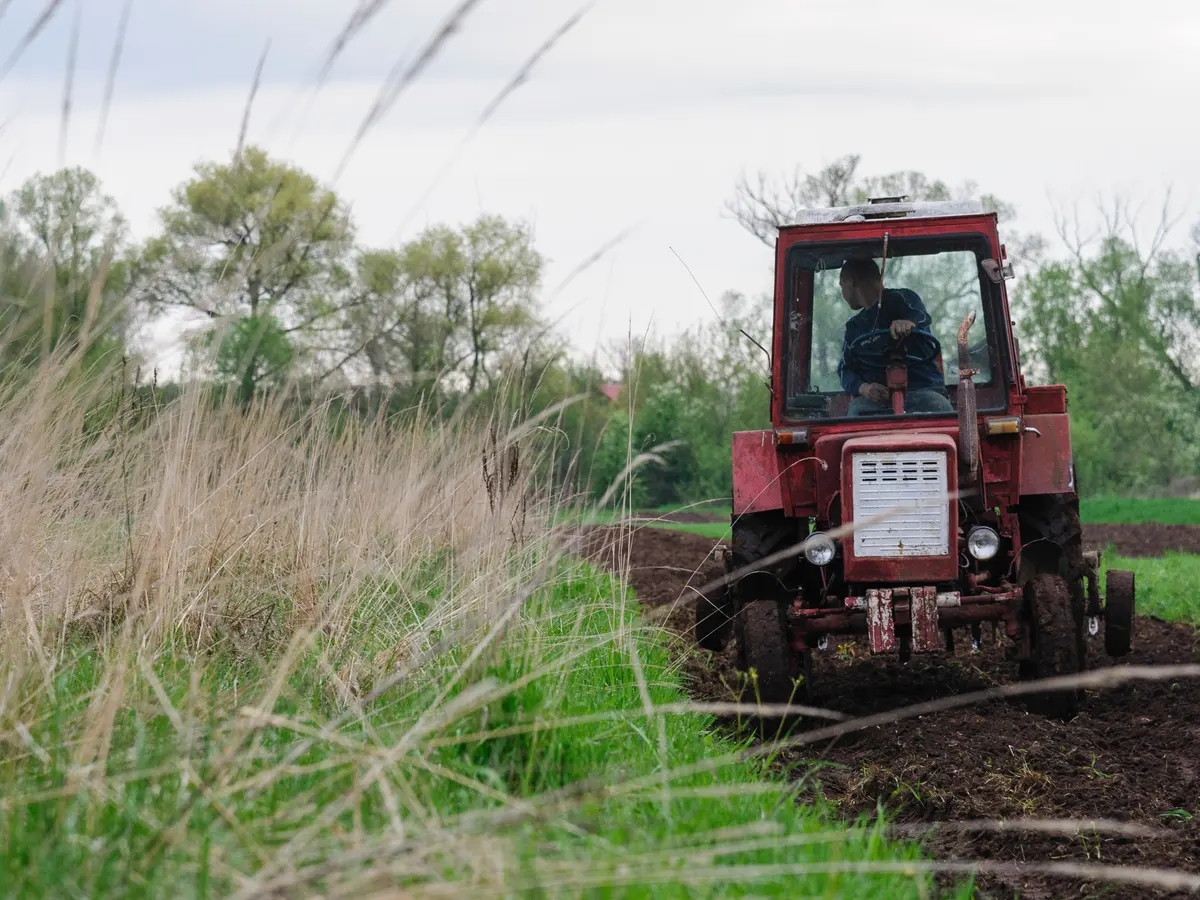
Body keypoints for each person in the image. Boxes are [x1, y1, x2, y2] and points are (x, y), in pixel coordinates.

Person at [837, 257, 954, 416]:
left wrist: (908, 322)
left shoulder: (902, 299)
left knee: (939, 406)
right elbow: (845, 369)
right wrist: (865, 388)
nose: (842, 293)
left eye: (841, 286)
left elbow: (920, 316)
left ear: (849, 281)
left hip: (923, 392)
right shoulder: (854, 327)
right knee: (856, 410)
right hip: (877, 403)